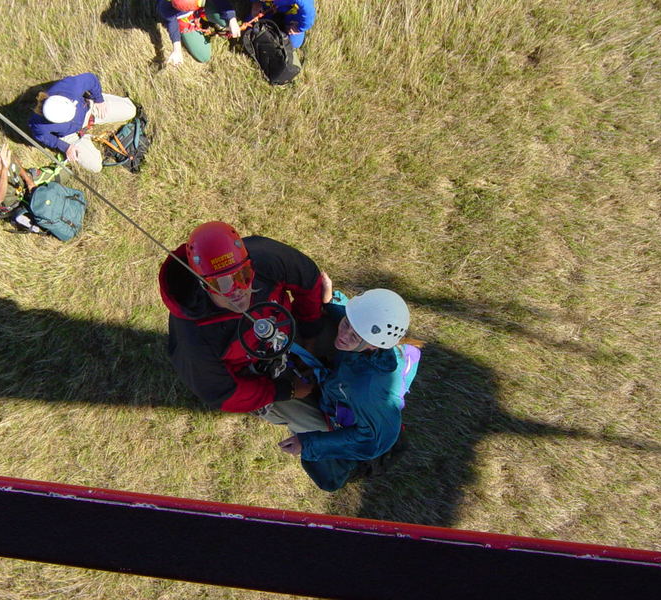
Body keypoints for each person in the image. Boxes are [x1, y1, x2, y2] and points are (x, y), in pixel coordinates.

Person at [158, 220, 328, 432]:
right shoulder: (195, 339)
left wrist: (310, 333)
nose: (237, 291)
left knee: (346, 345)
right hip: (261, 379)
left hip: (293, 332)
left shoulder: (267, 258)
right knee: (320, 426)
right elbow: (223, 393)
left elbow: (308, 279)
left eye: (243, 276)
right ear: (203, 285)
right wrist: (288, 390)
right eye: (221, 284)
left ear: (250, 265)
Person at [278, 283, 422, 492]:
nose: (343, 335)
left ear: (374, 346)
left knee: (278, 403)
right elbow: (354, 319)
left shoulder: (367, 389)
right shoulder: (365, 341)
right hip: (341, 389)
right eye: (346, 323)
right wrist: (330, 302)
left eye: (354, 336)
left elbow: (373, 440)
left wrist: (306, 444)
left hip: (356, 418)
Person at [28, 73, 137, 173]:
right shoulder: (38, 123)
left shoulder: (69, 87)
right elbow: (41, 135)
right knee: (96, 166)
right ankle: (84, 139)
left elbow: (91, 79)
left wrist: (99, 100)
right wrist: (64, 146)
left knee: (131, 110)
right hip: (68, 135)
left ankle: (106, 103)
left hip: (90, 111)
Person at [0, 138, 60, 232]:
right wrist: (4, 169)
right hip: (15, 206)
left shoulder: (5, 157)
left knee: (58, 177)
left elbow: (16, 165)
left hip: (25, 188)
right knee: (46, 221)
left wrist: (29, 181)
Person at [157, 0, 241, 66]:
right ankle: (203, 21)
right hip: (186, 19)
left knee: (226, 21)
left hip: (204, 6)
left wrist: (232, 19)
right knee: (203, 56)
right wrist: (177, 50)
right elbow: (172, 23)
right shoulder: (165, 6)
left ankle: (208, 17)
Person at [251, 0, 315, 48]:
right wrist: (256, 3)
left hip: (291, 19)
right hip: (270, 10)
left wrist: (299, 28)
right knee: (251, 27)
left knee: (293, 42)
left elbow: (309, 13)